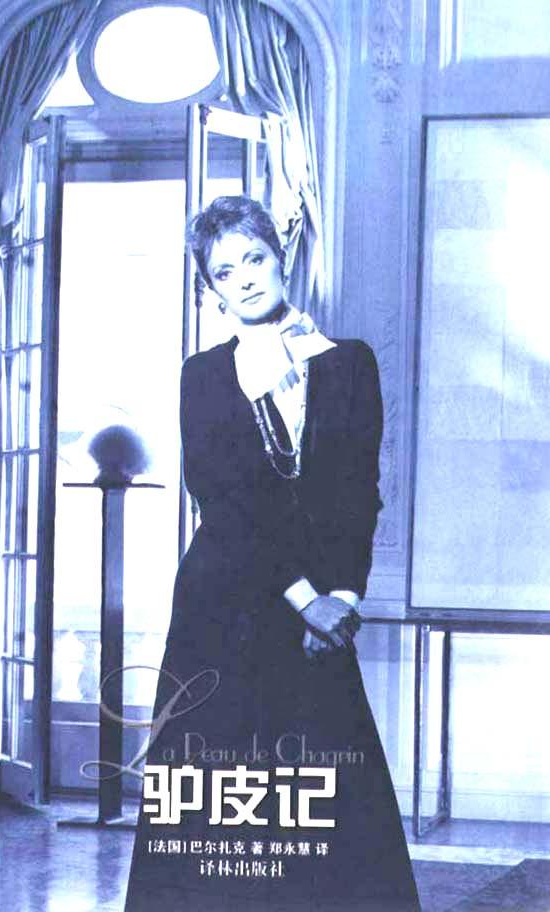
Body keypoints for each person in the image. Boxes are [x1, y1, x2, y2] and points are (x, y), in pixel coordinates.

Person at [125, 196, 420, 911]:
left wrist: (342, 598)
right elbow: (222, 500)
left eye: (254, 258)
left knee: (327, 791)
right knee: (214, 798)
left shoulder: (349, 363)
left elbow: (359, 488)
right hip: (222, 607)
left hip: (322, 605)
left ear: (279, 258)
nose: (246, 279)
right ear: (212, 290)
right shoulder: (202, 375)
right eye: (225, 272)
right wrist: (305, 599)